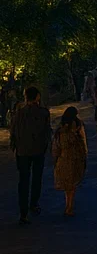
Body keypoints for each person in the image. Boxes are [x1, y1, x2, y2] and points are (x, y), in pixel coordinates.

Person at [9, 86, 52, 225]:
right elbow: (47, 132)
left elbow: (13, 131)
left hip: (22, 151)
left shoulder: (19, 113)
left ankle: (23, 212)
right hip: (38, 150)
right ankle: (33, 203)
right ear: (37, 97)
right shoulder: (43, 113)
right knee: (36, 178)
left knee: (23, 180)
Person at [51, 107, 88, 217]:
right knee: (72, 185)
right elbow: (83, 140)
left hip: (64, 158)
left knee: (67, 185)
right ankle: (69, 206)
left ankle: (68, 205)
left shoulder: (60, 130)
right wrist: (85, 154)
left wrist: (55, 159)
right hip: (76, 158)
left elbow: (56, 147)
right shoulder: (78, 125)